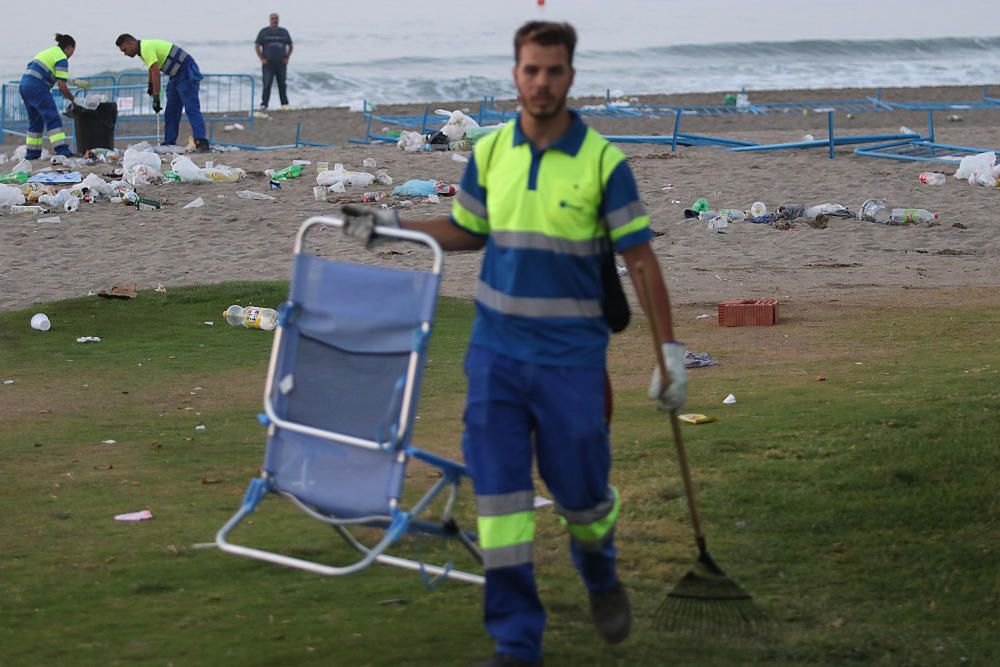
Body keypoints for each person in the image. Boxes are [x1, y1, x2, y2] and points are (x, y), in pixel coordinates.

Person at [340, 21, 688, 667]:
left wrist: (669, 352)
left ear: (570, 76)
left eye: (553, 71)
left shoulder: (604, 163)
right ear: (515, 73)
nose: (541, 82)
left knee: (583, 496)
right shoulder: (492, 150)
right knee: (500, 504)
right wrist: (386, 228)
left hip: (571, 362)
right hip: (496, 357)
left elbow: (640, 261)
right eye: (530, 70)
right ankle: (516, 642)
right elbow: (467, 229)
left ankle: (600, 571)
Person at [115, 34, 210, 152]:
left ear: (131, 43)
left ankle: (201, 141)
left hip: (186, 71)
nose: (125, 53)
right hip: (175, 76)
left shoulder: (146, 47)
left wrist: (156, 96)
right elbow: (151, 68)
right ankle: (169, 142)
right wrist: (150, 85)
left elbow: (155, 72)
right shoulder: (142, 50)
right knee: (171, 110)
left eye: (125, 50)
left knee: (191, 108)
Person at [20, 34, 77, 159]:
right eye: (73, 50)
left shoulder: (50, 52)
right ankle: (62, 150)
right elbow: (62, 86)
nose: (72, 54)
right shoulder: (61, 58)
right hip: (38, 87)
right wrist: (73, 99)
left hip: (24, 85)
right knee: (53, 118)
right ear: (69, 47)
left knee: (35, 121)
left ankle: (32, 153)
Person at [255, 12, 293, 110]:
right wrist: (262, 58)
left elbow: (290, 45)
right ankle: (264, 104)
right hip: (268, 63)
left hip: (281, 63)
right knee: (267, 84)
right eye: (273, 19)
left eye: (276, 18)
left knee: (282, 84)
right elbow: (257, 45)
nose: (274, 20)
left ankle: (284, 104)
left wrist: (287, 57)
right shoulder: (264, 32)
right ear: (269, 20)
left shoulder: (284, 32)